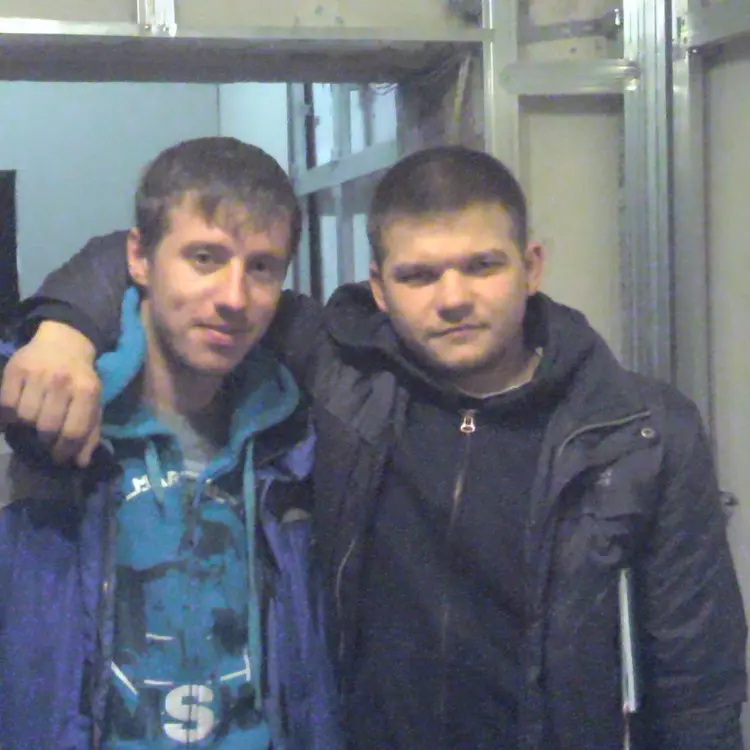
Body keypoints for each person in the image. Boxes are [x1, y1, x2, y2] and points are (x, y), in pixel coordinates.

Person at [1, 144, 746, 749]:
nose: (453, 298)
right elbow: (158, 255)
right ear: (379, 290)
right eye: (419, 275)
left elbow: (699, 672)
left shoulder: (636, 427)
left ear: (532, 266)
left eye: (483, 265)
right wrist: (62, 331)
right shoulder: (344, 376)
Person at [0, 137, 341, 750]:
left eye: (262, 267)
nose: (234, 298)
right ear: (137, 256)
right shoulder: (35, 409)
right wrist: (58, 335)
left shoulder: (298, 432)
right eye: (204, 258)